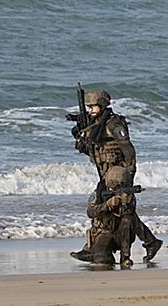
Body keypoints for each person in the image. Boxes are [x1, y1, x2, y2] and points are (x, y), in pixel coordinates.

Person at [69, 87, 162, 262]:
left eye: (94, 106)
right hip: (105, 172)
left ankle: (98, 248)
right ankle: (150, 241)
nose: (91, 110)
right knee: (115, 208)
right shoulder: (96, 125)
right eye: (90, 107)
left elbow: (128, 148)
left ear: (103, 105)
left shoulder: (114, 124)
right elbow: (91, 149)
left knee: (122, 208)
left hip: (118, 173)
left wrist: (130, 172)